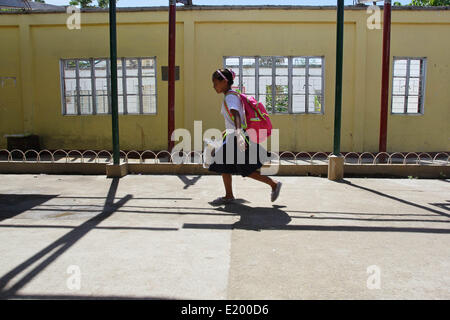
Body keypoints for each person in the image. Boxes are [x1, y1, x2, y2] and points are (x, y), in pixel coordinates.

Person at [208, 68, 282, 205]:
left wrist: (238, 135)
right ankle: (229, 195)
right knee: (223, 165)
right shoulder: (231, 96)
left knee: (245, 169)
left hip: (237, 139)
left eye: (215, 83)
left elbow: (236, 115)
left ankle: (274, 184)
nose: (213, 86)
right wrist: (223, 136)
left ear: (224, 81)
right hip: (233, 137)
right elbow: (233, 120)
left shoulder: (230, 97)